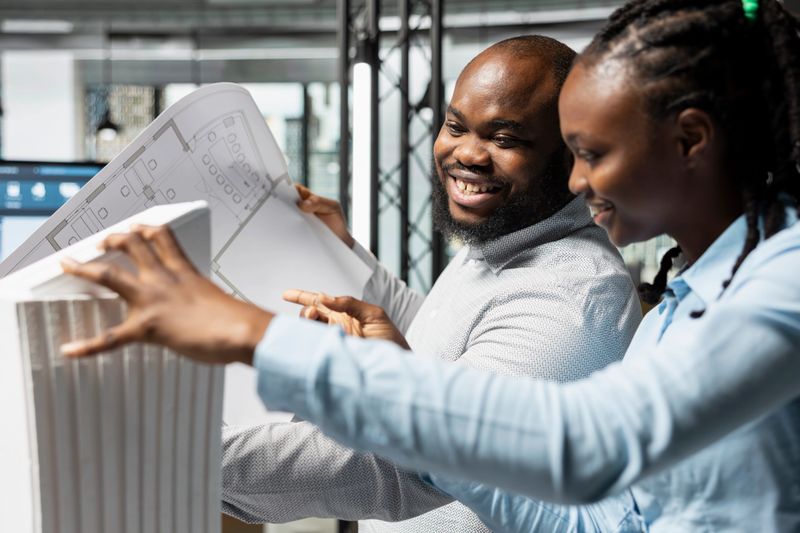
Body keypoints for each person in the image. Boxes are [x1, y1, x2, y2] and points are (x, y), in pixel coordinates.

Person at [60, 0, 800, 531]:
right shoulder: (688, 294)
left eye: (591, 153)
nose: (580, 181)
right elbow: (590, 517)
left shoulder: (779, 283)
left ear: (691, 141)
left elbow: (581, 444)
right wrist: (393, 362)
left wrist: (251, 336)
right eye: (455, 125)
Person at [220, 35, 641, 532]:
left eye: (505, 139)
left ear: (571, 158)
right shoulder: (502, 237)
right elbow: (439, 336)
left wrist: (192, 455)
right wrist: (343, 252)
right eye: (456, 126)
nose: (468, 154)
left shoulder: (571, 297)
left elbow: (395, 465)